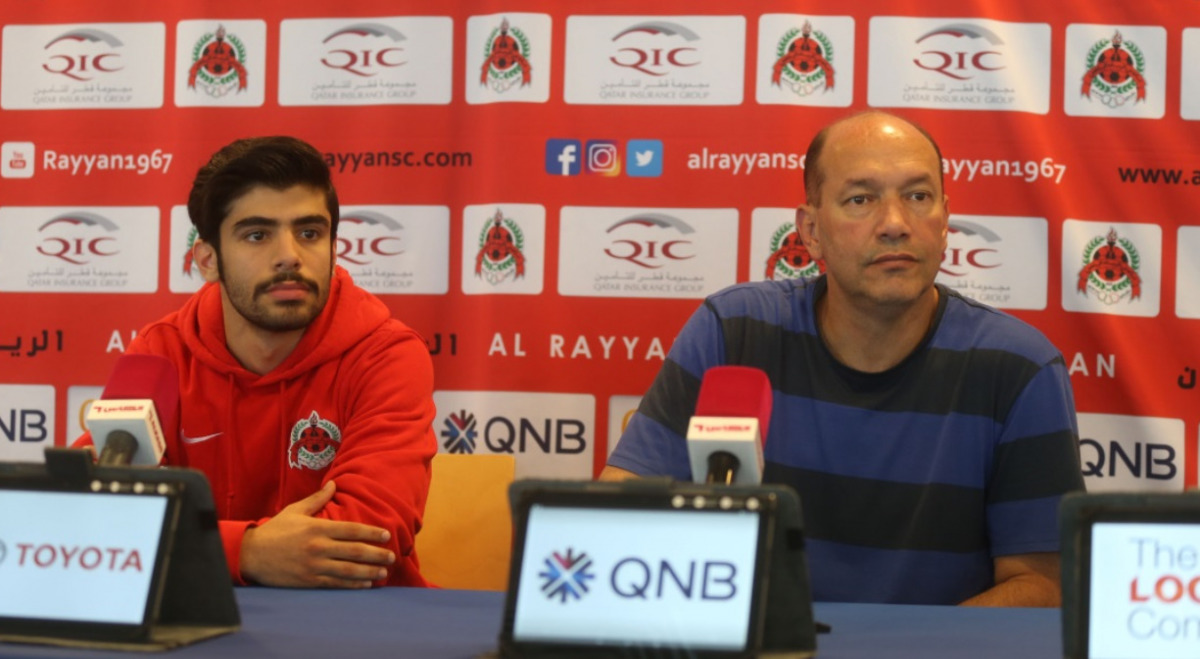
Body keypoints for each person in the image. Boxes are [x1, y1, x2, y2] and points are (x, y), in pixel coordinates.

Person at [601, 111, 1084, 607]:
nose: (895, 224)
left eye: (918, 197)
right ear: (810, 231)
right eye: (861, 200)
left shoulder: (1020, 367)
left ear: (944, 223)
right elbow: (615, 519)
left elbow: (1043, 585)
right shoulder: (734, 331)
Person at [78, 136, 437, 588]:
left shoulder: (387, 355)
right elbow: (88, 512)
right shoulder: (159, 356)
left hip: (354, 624)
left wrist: (198, 543)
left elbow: (368, 539)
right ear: (208, 260)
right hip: (199, 623)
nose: (290, 255)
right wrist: (245, 551)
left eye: (310, 233)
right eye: (257, 234)